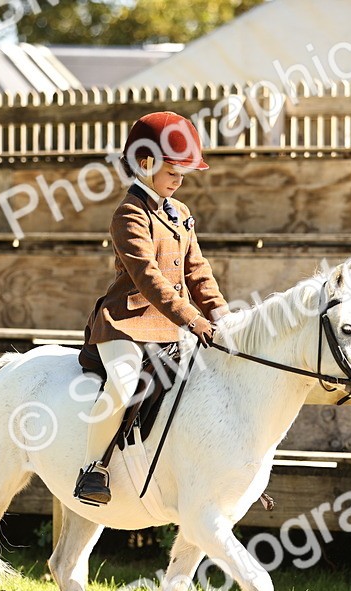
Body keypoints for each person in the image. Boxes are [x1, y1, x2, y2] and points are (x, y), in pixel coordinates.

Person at [73, 111, 229, 507]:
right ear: (145, 164)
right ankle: (92, 468)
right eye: (172, 172)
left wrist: (222, 316)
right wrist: (192, 318)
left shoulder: (180, 213)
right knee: (123, 385)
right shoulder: (129, 214)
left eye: (183, 173)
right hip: (126, 323)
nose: (179, 180)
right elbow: (149, 278)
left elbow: (197, 270)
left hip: (171, 326)